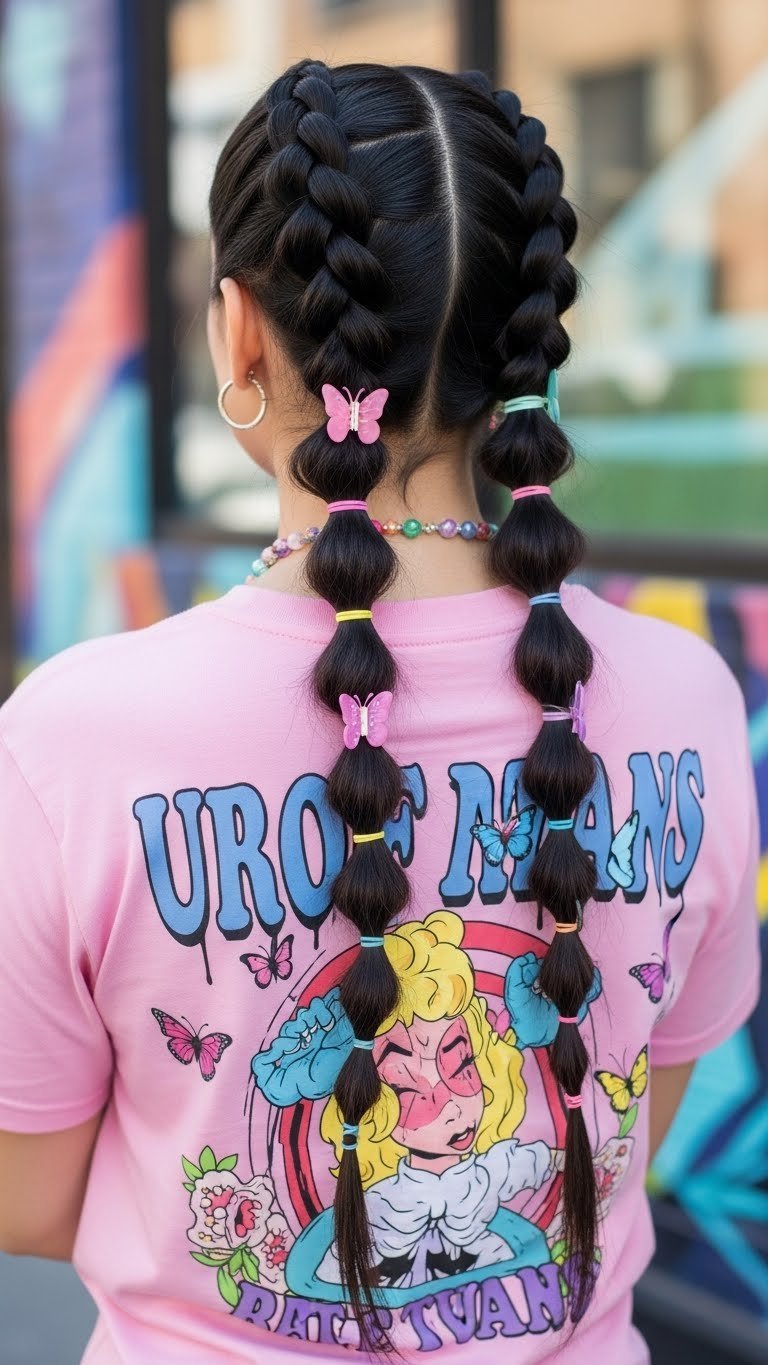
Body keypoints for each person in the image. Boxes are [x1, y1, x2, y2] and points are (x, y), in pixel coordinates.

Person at [0, 59, 760, 1365]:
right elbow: (631, 1113)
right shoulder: (690, 699)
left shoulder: (77, 732)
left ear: (240, 333)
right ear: (526, 344)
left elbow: (30, 1196)